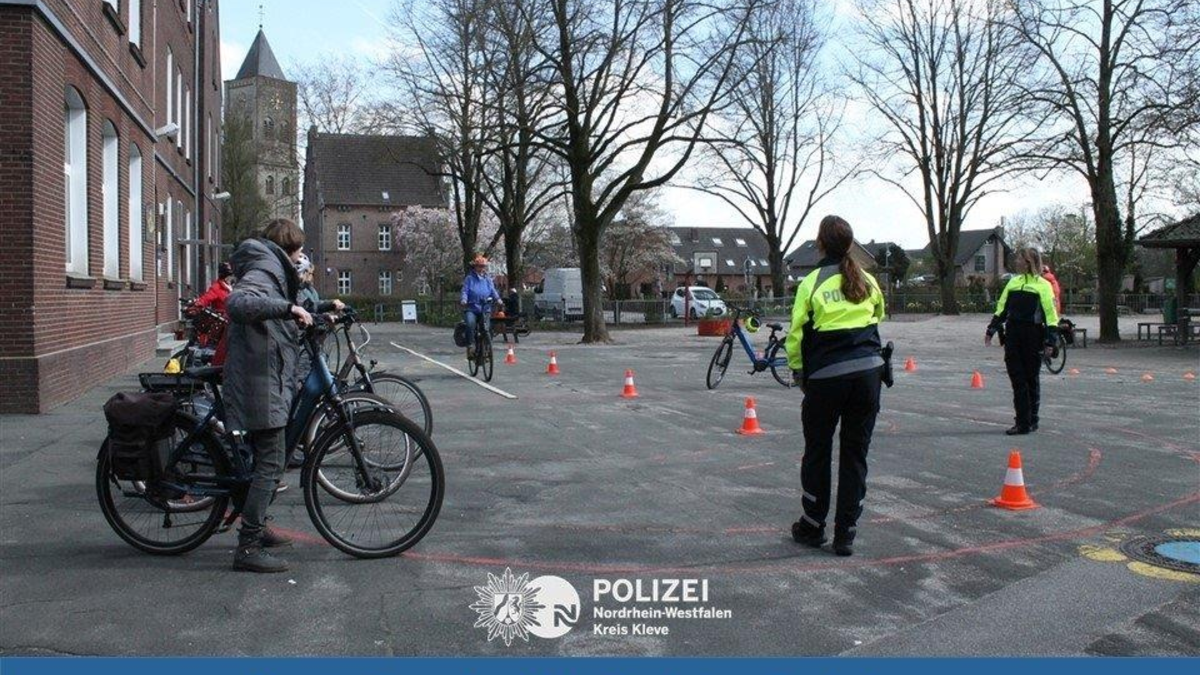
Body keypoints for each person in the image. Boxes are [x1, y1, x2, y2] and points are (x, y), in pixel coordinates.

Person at [786, 215, 887, 557]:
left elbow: (796, 335)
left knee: (818, 450)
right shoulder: (869, 281)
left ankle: (813, 526)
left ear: (820, 243)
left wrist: (799, 373)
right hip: (868, 375)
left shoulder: (811, 283)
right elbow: (878, 318)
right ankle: (847, 531)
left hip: (827, 377)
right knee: (855, 454)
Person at [224, 219, 314, 573]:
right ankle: (247, 547)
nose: (302, 256)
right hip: (258, 379)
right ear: (286, 248)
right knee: (272, 459)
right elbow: (239, 303)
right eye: (299, 249)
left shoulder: (271, 268)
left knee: (268, 459)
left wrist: (319, 312)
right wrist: (287, 308)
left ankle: (256, 526)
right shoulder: (265, 269)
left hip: (265, 374)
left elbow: (277, 313)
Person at [986, 248, 1059, 436]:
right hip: (1013, 333)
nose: (1016, 261)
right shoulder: (1013, 282)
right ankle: (1022, 421)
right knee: (1017, 378)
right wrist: (992, 328)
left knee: (1031, 378)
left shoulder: (1043, 285)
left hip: (1033, 334)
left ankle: (1032, 419)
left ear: (1028, 262)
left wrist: (1051, 340)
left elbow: (1051, 314)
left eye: (1020, 258)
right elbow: (1002, 307)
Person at [460, 254, 503, 359]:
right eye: (479, 266)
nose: (481, 268)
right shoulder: (469, 279)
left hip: (485, 308)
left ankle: (486, 349)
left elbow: (492, 290)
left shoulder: (488, 279)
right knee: (470, 324)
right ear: (475, 267)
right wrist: (464, 299)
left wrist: (498, 299)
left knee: (486, 328)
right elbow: (465, 290)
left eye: (483, 266)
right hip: (472, 307)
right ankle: (470, 346)